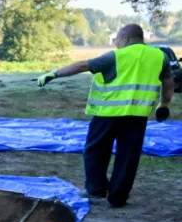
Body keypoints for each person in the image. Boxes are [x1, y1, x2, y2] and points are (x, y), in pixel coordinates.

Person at [38, 23, 173, 208]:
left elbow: (84, 65)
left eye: (117, 39)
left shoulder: (117, 56)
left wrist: (54, 74)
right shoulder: (160, 56)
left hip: (109, 113)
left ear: (126, 38)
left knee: (95, 150)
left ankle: (96, 190)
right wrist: (164, 104)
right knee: (129, 156)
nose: (116, 42)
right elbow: (168, 82)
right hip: (138, 116)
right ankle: (118, 197)